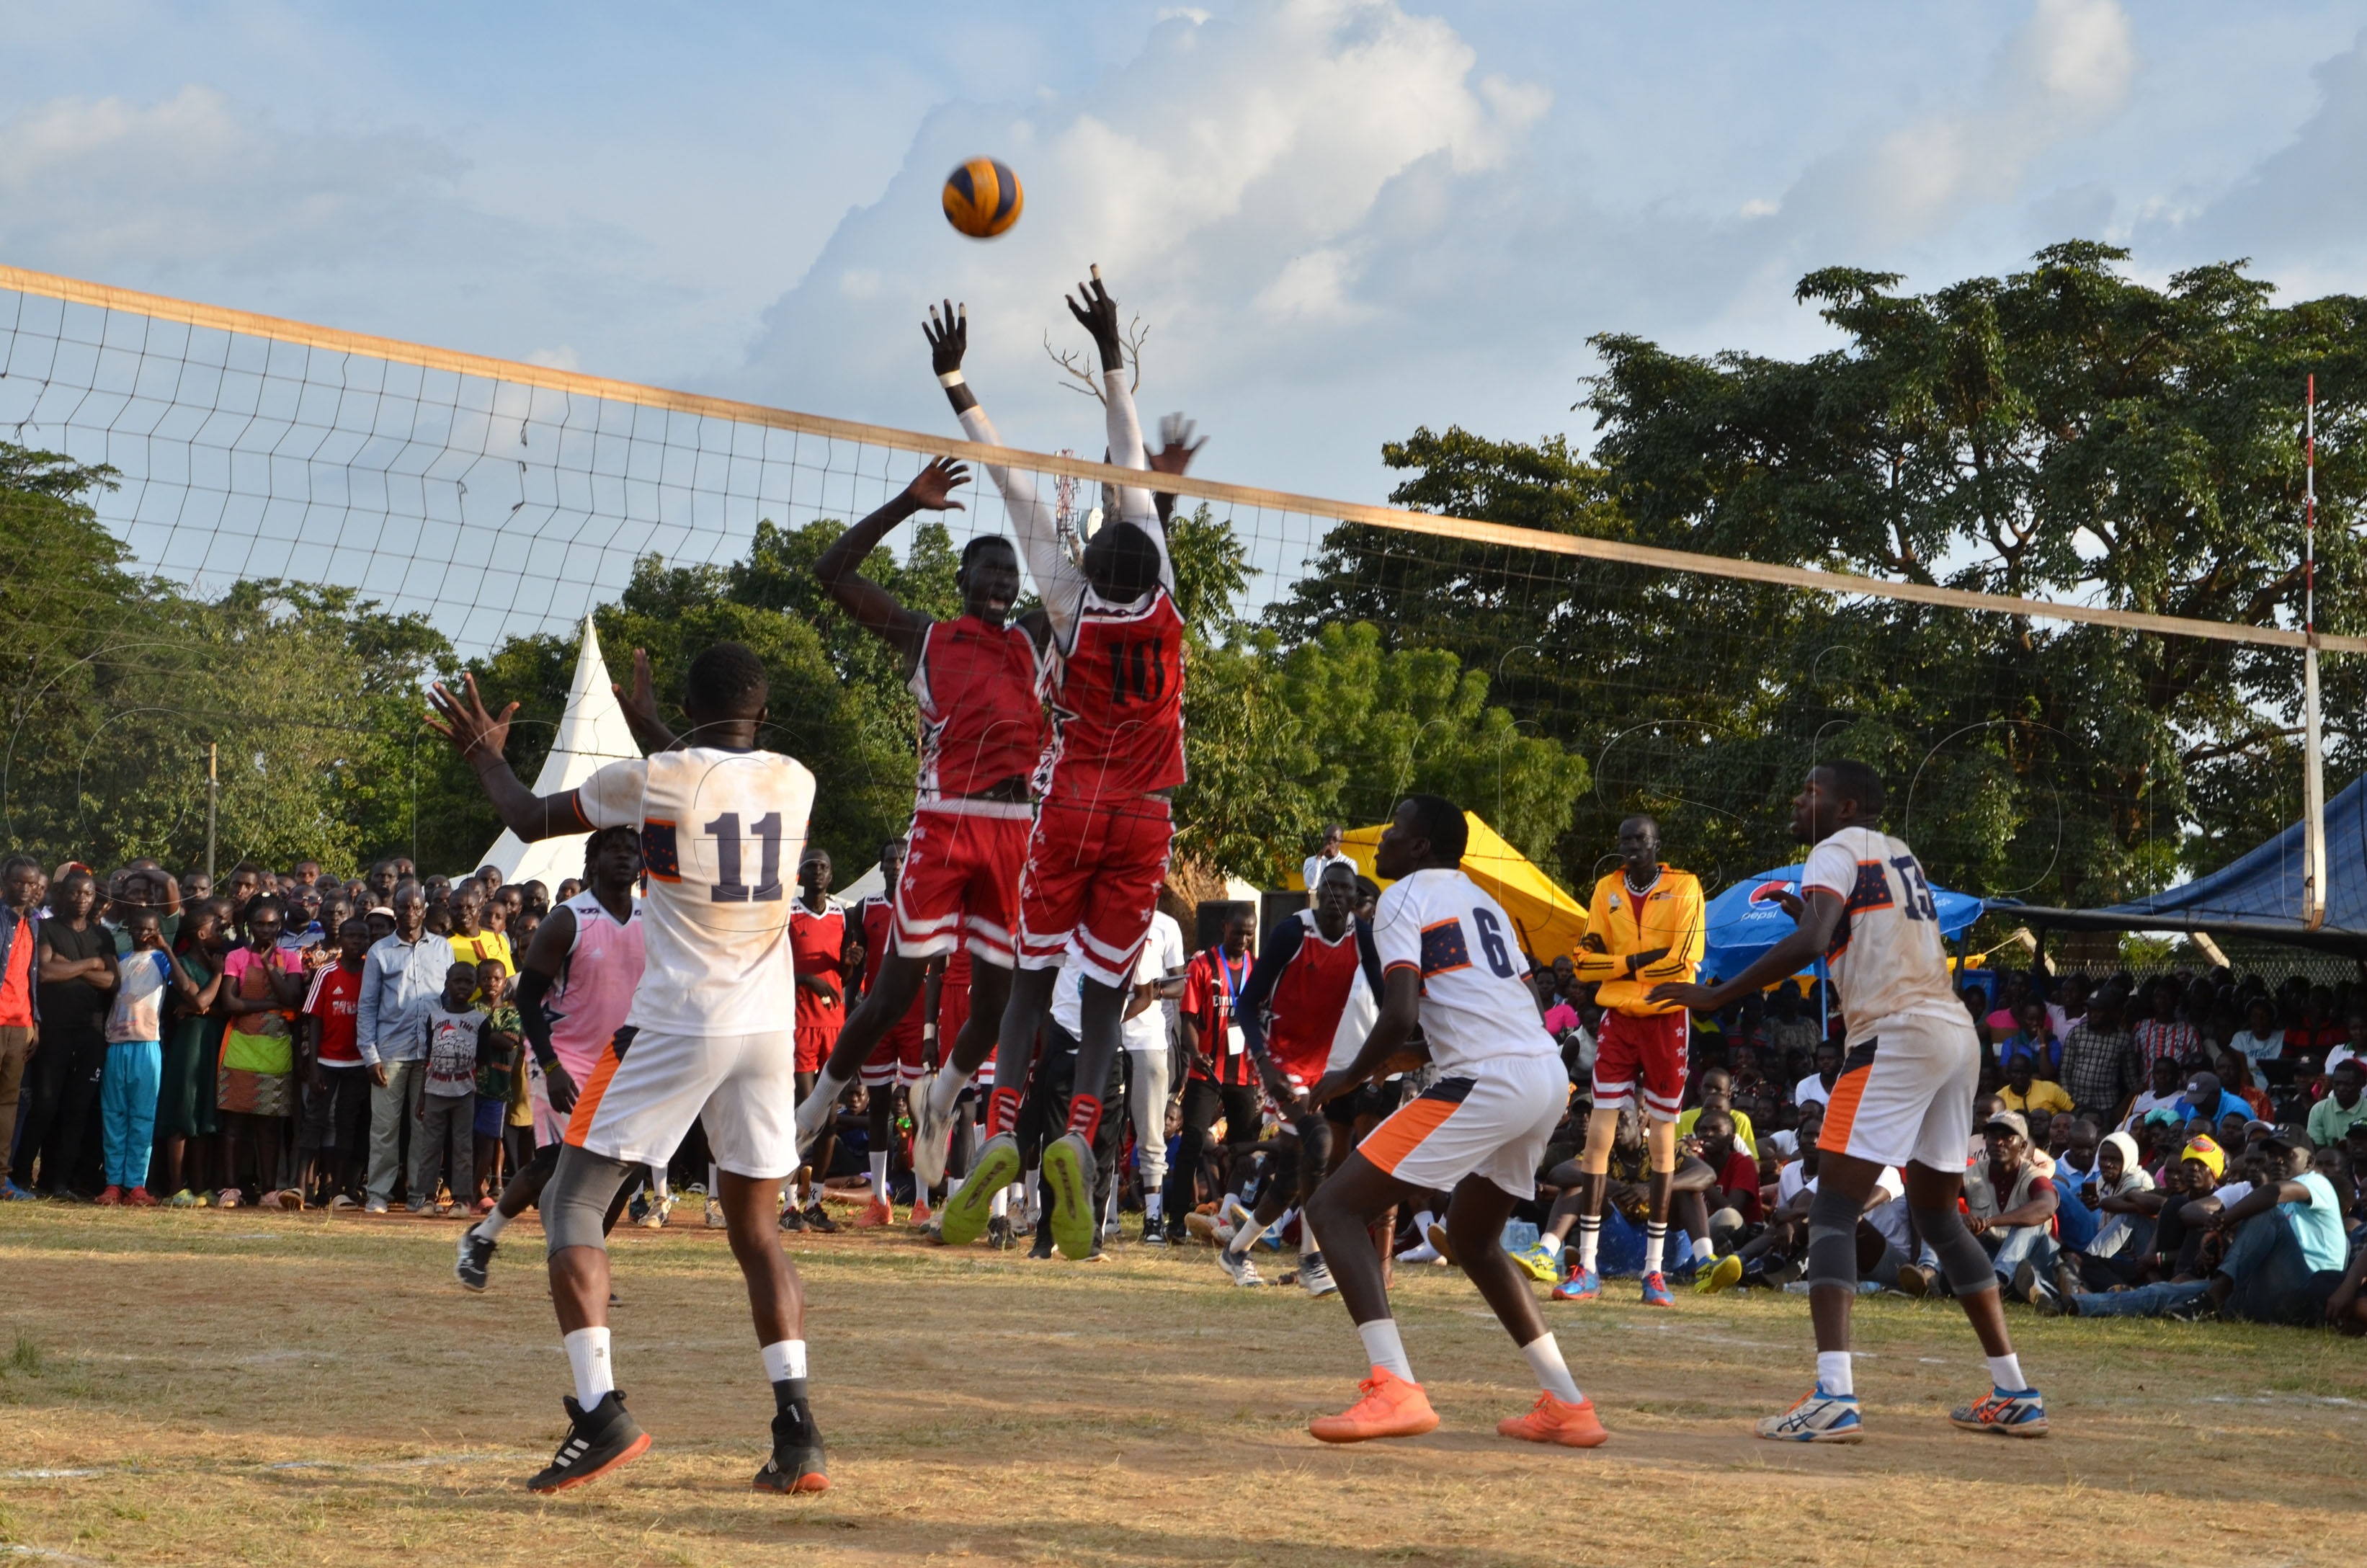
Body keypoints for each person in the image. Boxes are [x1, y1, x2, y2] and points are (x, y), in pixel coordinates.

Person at [428, 640, 831, 1495]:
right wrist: (661, 726)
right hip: (766, 1026)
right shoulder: (796, 780)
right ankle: (798, 1432)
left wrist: (485, 756)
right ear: (763, 711)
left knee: (572, 1201)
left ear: (685, 710)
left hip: (679, 1019)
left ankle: (599, 1411)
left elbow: (528, 816)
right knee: (757, 1232)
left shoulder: (653, 779)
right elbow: (716, 773)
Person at [925, 268, 1204, 1260]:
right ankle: (1079, 1140)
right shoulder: (1163, 603)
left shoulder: (1071, 601)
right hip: (1147, 812)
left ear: (1091, 560)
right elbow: (1129, 455)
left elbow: (1008, 476)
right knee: (1102, 997)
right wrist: (1112, 350)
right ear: (1153, 556)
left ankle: (1003, 1128)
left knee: (1030, 982)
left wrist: (957, 382)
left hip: (1074, 800)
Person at [1651, 760, 2046, 1442]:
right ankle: (2013, 1390)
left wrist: (1716, 995)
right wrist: (1820, 928)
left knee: (1832, 1208)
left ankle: (1833, 1396)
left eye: (1811, 791)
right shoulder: (1899, 855)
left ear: (1845, 807)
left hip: (1893, 1034)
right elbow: (1851, 938)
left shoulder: (1832, 851)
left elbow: (1811, 940)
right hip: (1953, 1037)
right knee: (1938, 1217)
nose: (1796, 798)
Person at [1298, 795, 1604, 1448]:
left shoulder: (1399, 899)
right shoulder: (1484, 902)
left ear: (1419, 847)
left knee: (1332, 1209)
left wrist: (1348, 1076)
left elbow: (1399, 1011)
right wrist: (1412, 1055)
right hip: (1542, 1076)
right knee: (1471, 1239)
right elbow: (1516, 1004)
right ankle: (1568, 1405)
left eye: (1394, 829)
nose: (1381, 838)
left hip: (1487, 1079)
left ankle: (1394, 1389)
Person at [798, 456, 1040, 1231]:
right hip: (944, 820)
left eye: (1010, 572)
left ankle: (939, 1100)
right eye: (987, 569)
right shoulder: (925, 635)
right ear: (962, 580)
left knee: (997, 1003)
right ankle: (814, 1107)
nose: (1001, 580)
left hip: (1014, 828)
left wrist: (1137, 499)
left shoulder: (1033, 642)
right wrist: (908, 502)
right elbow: (830, 572)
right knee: (893, 992)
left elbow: (1101, 584)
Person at [458, 826, 646, 1290]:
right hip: (564, 1057)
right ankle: (482, 1237)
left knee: (627, 1170)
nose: (625, 857)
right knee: (557, 1163)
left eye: (632, 850)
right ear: (593, 862)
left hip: (623, 1060)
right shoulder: (568, 919)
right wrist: (552, 1066)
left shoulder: (651, 918)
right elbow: (527, 998)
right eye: (614, 850)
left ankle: (579, 1262)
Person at [1561, 815, 1705, 1307]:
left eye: (1640, 840)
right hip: (1619, 1019)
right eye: (1624, 840)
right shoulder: (1607, 888)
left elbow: (1682, 959)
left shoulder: (1684, 886)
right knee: (1598, 1138)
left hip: (1667, 1018)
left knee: (1663, 1142)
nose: (1631, 848)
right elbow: (1582, 962)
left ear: (1656, 843)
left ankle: (1653, 1272)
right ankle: (1587, 1268)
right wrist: (1635, 963)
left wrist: (1618, 968)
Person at [1222, 861, 1381, 1293]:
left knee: (1292, 1178)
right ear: (1317, 893)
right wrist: (1264, 1064)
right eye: (1329, 887)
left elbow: (1386, 998)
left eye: (1345, 889)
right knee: (1321, 1142)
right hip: (1276, 1056)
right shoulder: (1292, 933)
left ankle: (1236, 1251)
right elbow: (1247, 1004)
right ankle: (1312, 1260)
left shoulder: (1362, 936)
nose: (1336, 895)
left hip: (1320, 1064)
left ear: (1355, 899)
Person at [17, 869, 114, 1198]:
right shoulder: (46, 928)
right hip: (54, 1031)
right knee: (45, 1106)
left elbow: (113, 981)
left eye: (87, 893)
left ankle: (58, 1182)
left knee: (77, 1108)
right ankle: (20, 1175)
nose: (81, 899)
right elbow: (45, 972)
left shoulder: (102, 936)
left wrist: (69, 967)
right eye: (74, 892)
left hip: (92, 1033)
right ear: (61, 894)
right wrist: (90, 965)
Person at [357, 886, 455, 1213]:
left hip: (432, 1053)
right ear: (394, 911)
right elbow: (367, 1006)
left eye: (415, 907)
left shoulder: (443, 948)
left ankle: (419, 1195)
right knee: (384, 1128)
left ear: (425, 910)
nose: (409, 913)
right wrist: (370, 1055)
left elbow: (450, 999)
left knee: (424, 1127)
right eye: (403, 907)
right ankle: (377, 1194)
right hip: (390, 1051)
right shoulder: (380, 952)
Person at [847, 839, 928, 1228]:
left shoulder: (925, 906)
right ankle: (880, 1202)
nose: (895, 865)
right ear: (880, 867)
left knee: (918, 1108)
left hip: (915, 1018)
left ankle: (923, 1201)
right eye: (889, 860)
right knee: (878, 1108)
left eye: (901, 859)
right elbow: (855, 969)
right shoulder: (864, 909)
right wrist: (852, 1012)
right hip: (879, 1018)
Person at [1172, 905, 1261, 1238]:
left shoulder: (1258, 968)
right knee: (1192, 1142)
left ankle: (1235, 1219)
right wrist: (1195, 1053)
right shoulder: (1202, 966)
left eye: (1249, 934)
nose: (1243, 939)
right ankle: (1176, 1221)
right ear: (1224, 928)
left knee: (1244, 1147)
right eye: (1238, 932)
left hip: (1245, 1073)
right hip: (1206, 1072)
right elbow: (1188, 1019)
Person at [216, 893, 306, 1207]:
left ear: (280, 926)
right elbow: (230, 1003)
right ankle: (231, 1189)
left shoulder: (290, 959)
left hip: (276, 1051)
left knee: (270, 1125)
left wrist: (267, 964)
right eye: (259, 924)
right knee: (234, 1124)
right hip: (240, 1047)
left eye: (272, 924)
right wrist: (271, 1004)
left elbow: (292, 998)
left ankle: (269, 1191)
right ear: (249, 926)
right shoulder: (236, 957)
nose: (265, 930)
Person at [93, 907, 185, 1206]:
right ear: (129, 930)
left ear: (158, 932)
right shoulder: (120, 960)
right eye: (138, 928)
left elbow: (185, 986)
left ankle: (136, 1184)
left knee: (143, 1116)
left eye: (150, 930)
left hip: (147, 1045)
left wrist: (166, 948)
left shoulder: (162, 960)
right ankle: (113, 1184)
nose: (143, 934)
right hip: (116, 1045)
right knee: (114, 1115)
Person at [784, 850, 848, 1234]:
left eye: (824, 866)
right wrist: (807, 980)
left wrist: (851, 963)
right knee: (804, 1117)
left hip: (833, 1026)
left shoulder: (842, 914)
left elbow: (846, 972)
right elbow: (772, 967)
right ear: (801, 874)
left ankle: (815, 1203)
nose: (819, 871)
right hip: (799, 1025)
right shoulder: (788, 913)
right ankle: (788, 1204)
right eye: (811, 866)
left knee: (832, 1121)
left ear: (831, 875)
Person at [156, 898, 228, 1203]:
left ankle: (199, 1187)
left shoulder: (215, 962)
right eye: (217, 929)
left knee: (202, 1116)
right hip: (190, 1046)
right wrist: (218, 977)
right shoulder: (185, 964)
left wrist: (203, 1008)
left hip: (212, 1043)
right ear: (201, 934)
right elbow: (199, 1000)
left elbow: (223, 1008)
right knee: (183, 1113)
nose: (223, 933)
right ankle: (176, 1187)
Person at [298, 916, 374, 1208]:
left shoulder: (371, 972)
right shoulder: (326, 972)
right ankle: (301, 1188)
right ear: (340, 940)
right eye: (351, 936)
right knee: (314, 1121)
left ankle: (338, 1191)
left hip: (357, 1063)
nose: (357, 942)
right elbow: (313, 1019)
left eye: (362, 937)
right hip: (327, 1062)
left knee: (346, 1124)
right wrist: (314, 1065)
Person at [1126, 906, 1189, 1243]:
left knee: (1152, 1132)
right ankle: (1104, 1218)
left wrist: (1155, 991)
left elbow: (1180, 984)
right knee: (1106, 1131)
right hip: (1107, 1037)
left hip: (1148, 1040)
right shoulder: (1101, 915)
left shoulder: (1166, 925)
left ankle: (1153, 1220)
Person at [414, 961, 483, 1213]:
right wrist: (422, 1095)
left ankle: (461, 1199)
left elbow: (483, 1060)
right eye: (457, 981)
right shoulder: (435, 1018)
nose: (463, 986)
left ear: (475, 986)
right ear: (447, 984)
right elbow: (428, 1058)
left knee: (463, 1147)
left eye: (468, 982)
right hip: (435, 1091)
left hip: (465, 1093)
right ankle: (427, 1198)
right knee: (430, 1146)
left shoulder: (480, 1020)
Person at [0, 855, 44, 1193]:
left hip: (21, 1023)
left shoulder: (35, 923)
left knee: (8, 1104)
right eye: (19, 882)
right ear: (5, 882)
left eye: (32, 883)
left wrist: (35, 1021)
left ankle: (1, 1178)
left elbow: (31, 977)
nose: (26, 889)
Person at [473, 960, 526, 1209]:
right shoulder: (471, 1009)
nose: (491, 983)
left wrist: (481, 1032)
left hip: (497, 1086)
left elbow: (509, 1043)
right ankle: (473, 1190)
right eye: (486, 978)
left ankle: (477, 1188)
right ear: (478, 981)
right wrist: (493, 1034)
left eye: (496, 979)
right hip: (468, 1086)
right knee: (468, 1140)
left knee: (489, 1139)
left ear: (505, 983)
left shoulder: (511, 1013)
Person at [2057, 986, 2140, 1120]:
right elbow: (2065, 1071)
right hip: (2076, 1103)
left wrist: (2141, 1090)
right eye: (2090, 1010)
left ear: (2109, 1012)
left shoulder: (2123, 1039)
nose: (2092, 1014)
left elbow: (2130, 1077)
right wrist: (2069, 1098)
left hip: (2105, 1106)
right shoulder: (2076, 1033)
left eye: (2098, 1010)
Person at [1674, 1066, 1757, 1157]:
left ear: (1729, 1095)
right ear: (1699, 1089)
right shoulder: (1682, 1118)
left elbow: (1751, 1162)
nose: (1712, 1092)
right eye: (1707, 1087)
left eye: (1718, 1089)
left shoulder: (1740, 1120)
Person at [2309, 1059, 2367, 1149]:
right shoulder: (2319, 1110)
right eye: (2337, 1084)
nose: (2341, 1089)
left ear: (2362, 1084)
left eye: (2348, 1084)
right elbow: (2317, 1149)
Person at [1998, 1055, 2073, 1121]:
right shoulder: (2000, 1098)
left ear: (2030, 1073)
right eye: (2015, 1072)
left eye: (2023, 1072)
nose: (2019, 1076)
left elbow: (2073, 1111)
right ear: (2008, 1073)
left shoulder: (2050, 1089)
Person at [1303, 824, 1352, 895]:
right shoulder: (1310, 861)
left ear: (1341, 842)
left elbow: (1347, 888)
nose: (1330, 842)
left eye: (1334, 839)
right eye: (1327, 838)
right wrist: (1319, 858)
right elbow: (1311, 886)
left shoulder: (1349, 863)